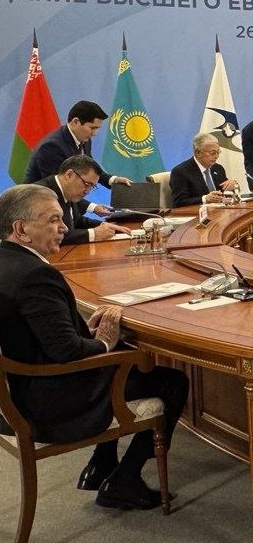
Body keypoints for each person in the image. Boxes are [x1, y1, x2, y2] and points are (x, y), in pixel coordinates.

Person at [0, 184, 189, 510]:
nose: (64, 228)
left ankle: (101, 465)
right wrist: (104, 341)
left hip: (16, 393)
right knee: (172, 381)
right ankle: (124, 481)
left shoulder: (8, 262)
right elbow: (68, 353)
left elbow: (39, 334)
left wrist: (85, 332)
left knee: (121, 362)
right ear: (21, 229)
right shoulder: (35, 275)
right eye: (53, 220)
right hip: (51, 403)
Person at [24, 100, 131, 217]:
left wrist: (112, 180)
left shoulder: (84, 139)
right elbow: (59, 188)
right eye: (92, 128)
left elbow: (89, 168)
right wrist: (93, 207)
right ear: (76, 122)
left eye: (97, 129)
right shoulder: (52, 147)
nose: (95, 133)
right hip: (37, 208)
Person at [35, 155, 130, 244]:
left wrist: (105, 225)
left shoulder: (68, 191)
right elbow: (52, 235)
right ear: (69, 175)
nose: (87, 192)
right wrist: (93, 234)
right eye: (87, 184)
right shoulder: (40, 194)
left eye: (92, 186)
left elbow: (77, 221)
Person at [170, 133, 253, 207]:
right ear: (198, 153)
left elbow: (226, 193)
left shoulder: (218, 168)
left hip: (220, 213)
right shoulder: (180, 172)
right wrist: (205, 198)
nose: (217, 156)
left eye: (218, 152)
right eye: (213, 153)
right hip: (197, 217)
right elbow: (179, 202)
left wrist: (234, 186)